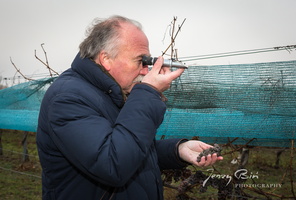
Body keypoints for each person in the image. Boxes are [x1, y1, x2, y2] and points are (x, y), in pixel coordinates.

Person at [36, 15, 223, 200]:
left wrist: (178, 150)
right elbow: (112, 164)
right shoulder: (68, 98)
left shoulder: (109, 91)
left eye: (147, 63)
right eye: (140, 61)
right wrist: (147, 92)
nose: (145, 70)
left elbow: (129, 147)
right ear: (106, 59)